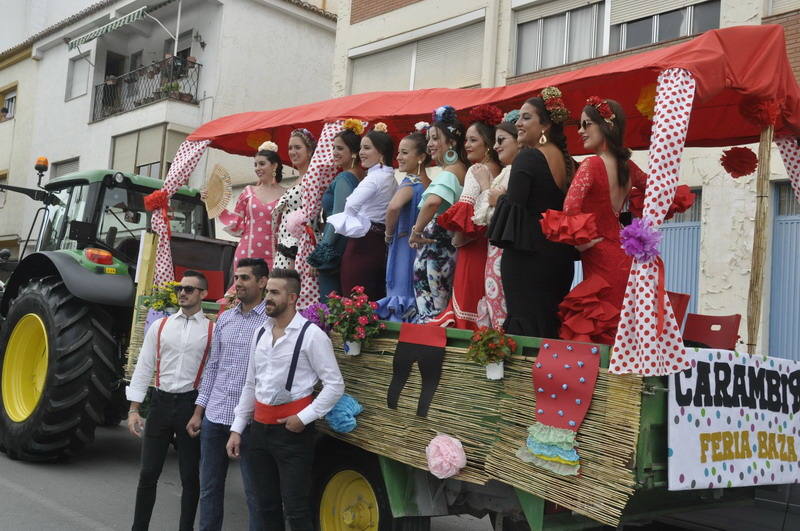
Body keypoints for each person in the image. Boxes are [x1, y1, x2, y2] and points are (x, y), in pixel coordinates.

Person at [540, 97, 692, 344]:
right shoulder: (628, 166)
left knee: (599, 322)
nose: (580, 131)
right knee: (622, 323)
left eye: (586, 124)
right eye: (580, 125)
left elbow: (569, 208)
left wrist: (584, 242)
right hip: (626, 254)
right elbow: (663, 194)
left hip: (601, 254)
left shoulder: (592, 164)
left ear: (607, 126)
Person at [227, 268, 344, 531]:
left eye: (274, 293)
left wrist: (304, 418)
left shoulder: (312, 335)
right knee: (266, 506)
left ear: (292, 298)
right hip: (259, 431)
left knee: (296, 509)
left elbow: (335, 385)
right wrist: (237, 429)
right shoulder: (260, 332)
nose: (268, 297)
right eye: (267, 291)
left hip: (292, 434)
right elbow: (250, 384)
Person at [488, 88, 578, 338]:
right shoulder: (568, 162)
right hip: (559, 259)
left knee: (525, 328)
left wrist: (498, 198)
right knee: (549, 325)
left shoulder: (528, 157)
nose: (518, 123)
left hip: (528, 259)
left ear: (545, 126)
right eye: (519, 117)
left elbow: (515, 206)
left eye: (526, 117)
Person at [127, 271, 214, 531]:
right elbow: (144, 366)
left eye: (189, 289)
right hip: (160, 403)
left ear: (203, 294)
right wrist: (134, 409)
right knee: (148, 473)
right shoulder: (161, 326)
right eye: (180, 288)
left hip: (191, 406)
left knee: (190, 477)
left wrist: (201, 411)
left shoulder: (211, 330)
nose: (182, 293)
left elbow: (212, 374)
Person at [187, 258, 269, 531]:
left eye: (245, 278)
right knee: (209, 489)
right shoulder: (225, 319)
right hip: (215, 416)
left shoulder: (271, 323)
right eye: (236, 278)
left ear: (262, 282)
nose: (238, 283)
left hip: (250, 422)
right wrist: (199, 412)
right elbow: (213, 367)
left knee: (255, 494)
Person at [433, 105, 503, 330]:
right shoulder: (501, 169)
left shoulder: (476, 170)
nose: (467, 145)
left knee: (467, 304)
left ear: (488, 144)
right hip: (491, 249)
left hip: (472, 248)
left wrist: (457, 240)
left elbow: (465, 219)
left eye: (473, 140)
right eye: (466, 140)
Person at [409, 106, 467, 322]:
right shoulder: (457, 170)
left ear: (451, 142)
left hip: (438, 250)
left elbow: (432, 202)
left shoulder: (450, 172)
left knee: (435, 312)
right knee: (438, 309)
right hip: (441, 248)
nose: (430, 144)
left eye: (435, 138)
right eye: (429, 139)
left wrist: (416, 231)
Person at [328, 125, 397, 300]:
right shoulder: (390, 177)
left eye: (367, 148)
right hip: (380, 243)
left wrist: (354, 227)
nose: (361, 153)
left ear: (381, 153)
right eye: (361, 148)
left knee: (354, 299)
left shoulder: (374, 178)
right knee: (373, 299)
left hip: (362, 244)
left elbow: (350, 205)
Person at [472, 112, 521, 329]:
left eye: (501, 140)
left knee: (499, 309)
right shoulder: (507, 171)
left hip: (502, 250)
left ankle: (497, 346)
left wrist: (485, 186)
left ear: (518, 140)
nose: (496, 146)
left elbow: (489, 217)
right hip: (498, 250)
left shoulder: (512, 172)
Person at [376, 130, 431, 322]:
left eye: (405, 152)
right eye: (399, 152)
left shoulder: (410, 182)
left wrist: (388, 234)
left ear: (421, 157)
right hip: (422, 248)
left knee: (400, 295)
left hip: (402, 246)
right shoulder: (430, 184)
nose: (398, 157)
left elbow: (393, 207)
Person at [307, 120, 365, 302]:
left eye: (340, 148)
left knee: (330, 304)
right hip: (352, 246)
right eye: (333, 148)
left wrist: (320, 254)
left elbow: (339, 218)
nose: (335, 152)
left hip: (336, 248)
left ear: (354, 152)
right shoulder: (363, 177)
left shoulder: (345, 178)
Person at [211, 142, 284, 271]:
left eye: (262, 164)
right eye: (255, 165)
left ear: (274, 165)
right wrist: (213, 201)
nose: (257, 168)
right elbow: (236, 220)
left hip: (275, 255)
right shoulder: (248, 191)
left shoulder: (286, 194)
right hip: (246, 252)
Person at [273, 128, 317, 269]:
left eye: (297, 147)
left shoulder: (313, 178)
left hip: (300, 247)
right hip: (284, 243)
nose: (292, 152)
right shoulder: (297, 179)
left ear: (309, 151)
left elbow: (314, 216)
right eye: (290, 148)